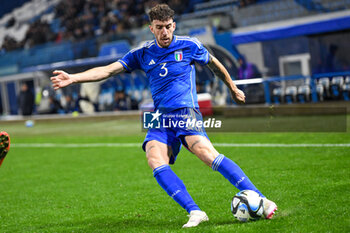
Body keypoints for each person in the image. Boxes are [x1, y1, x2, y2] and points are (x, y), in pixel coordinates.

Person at [50, 4, 277, 228]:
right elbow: (108, 70)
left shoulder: (189, 45)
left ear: (174, 25)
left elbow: (214, 64)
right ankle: (195, 211)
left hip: (185, 111)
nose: (165, 32)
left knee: (206, 154)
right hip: (160, 116)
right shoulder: (142, 53)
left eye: (168, 26)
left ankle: (261, 199)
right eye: (159, 27)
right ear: (151, 28)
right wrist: (74, 78)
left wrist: (232, 88)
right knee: (154, 158)